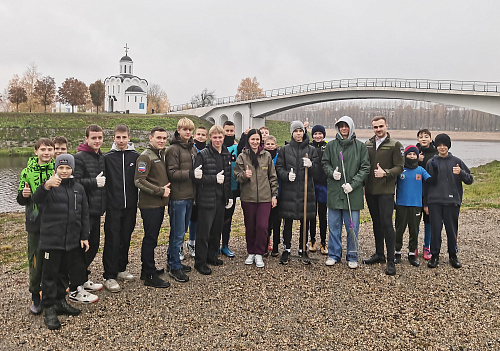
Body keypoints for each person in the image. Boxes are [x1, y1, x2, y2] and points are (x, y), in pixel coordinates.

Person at [32, 154, 94, 330]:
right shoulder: (49, 186)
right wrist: (45, 186)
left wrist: (84, 236)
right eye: (61, 168)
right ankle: (49, 307)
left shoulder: (79, 188)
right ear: (56, 169)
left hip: (72, 240)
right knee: (49, 274)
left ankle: (60, 301)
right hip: (52, 240)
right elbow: (36, 200)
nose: (65, 171)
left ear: (72, 169)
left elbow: (84, 214)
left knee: (64, 273)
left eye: (68, 168)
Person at [322, 116, 370, 269]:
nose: (344, 129)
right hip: (335, 192)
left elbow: (365, 168)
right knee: (334, 226)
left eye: (346, 126)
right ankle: (334, 254)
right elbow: (325, 163)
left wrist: (354, 184)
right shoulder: (331, 146)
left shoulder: (360, 147)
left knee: (352, 227)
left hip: (352, 194)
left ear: (351, 127)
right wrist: (331, 173)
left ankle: (352, 255)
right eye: (341, 126)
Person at [16, 138, 55, 315]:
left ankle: (52, 295)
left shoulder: (57, 169)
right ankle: (35, 296)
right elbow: (19, 199)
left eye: (49, 149)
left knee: (53, 259)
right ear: (36, 151)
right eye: (43, 149)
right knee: (36, 260)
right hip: (35, 222)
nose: (46, 153)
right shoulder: (27, 172)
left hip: (55, 221)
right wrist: (24, 196)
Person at [425, 133, 473, 269]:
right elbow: (426, 185)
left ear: (448, 146)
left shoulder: (457, 161)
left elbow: (470, 180)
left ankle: (453, 255)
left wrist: (461, 173)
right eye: (439, 145)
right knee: (435, 230)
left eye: (444, 145)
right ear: (436, 146)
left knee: (452, 230)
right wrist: (426, 204)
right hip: (434, 202)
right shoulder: (431, 162)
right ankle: (434, 256)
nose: (442, 147)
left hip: (452, 202)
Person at [363, 116, 404, 276]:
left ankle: (391, 260)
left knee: (387, 224)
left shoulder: (395, 145)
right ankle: (379, 253)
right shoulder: (367, 144)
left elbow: (400, 167)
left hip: (386, 192)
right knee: (376, 223)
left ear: (386, 126)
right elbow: (364, 166)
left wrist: (385, 172)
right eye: (375, 127)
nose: (378, 129)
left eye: (381, 126)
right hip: (371, 191)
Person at [102, 124, 140, 292]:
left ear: (129, 138)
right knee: (112, 239)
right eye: (118, 137)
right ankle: (109, 275)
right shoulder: (107, 158)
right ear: (114, 138)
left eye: (124, 137)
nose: (121, 140)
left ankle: (121, 268)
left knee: (126, 237)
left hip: (131, 206)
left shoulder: (136, 156)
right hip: (114, 206)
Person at [275, 121, 319, 264]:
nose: (298, 133)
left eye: (301, 131)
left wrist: (311, 166)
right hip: (289, 191)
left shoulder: (311, 150)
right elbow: (279, 167)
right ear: (292, 133)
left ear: (304, 132)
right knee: (287, 220)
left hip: (307, 190)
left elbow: (317, 170)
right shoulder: (285, 150)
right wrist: (286, 175)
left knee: (304, 220)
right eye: (296, 131)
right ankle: (286, 249)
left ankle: (302, 248)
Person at [234, 129, 279, 268]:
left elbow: (273, 177)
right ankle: (251, 252)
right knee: (250, 226)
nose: (255, 142)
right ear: (248, 140)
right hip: (248, 197)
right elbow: (236, 175)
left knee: (262, 226)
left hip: (265, 198)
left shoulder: (266, 156)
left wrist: (274, 195)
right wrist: (244, 175)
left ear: (261, 141)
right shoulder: (242, 156)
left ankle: (259, 252)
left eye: (257, 139)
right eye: (252, 139)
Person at [192, 125, 232, 275]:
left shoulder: (226, 154)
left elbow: (227, 177)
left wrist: (229, 196)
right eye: (214, 137)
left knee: (216, 230)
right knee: (204, 232)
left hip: (221, 198)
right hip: (206, 198)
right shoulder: (203, 154)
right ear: (210, 138)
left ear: (223, 138)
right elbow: (197, 177)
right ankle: (200, 262)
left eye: (220, 137)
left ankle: (211, 255)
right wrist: (214, 179)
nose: (217, 140)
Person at [134, 127, 171, 288]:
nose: (162, 140)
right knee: (150, 239)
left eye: (164, 138)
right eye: (158, 138)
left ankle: (147, 269)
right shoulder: (145, 157)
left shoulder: (159, 154)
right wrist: (160, 191)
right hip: (150, 204)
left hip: (158, 204)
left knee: (153, 238)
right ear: (151, 138)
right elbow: (139, 181)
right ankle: (149, 275)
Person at [73, 124, 106, 292]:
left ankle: (82, 277)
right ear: (86, 139)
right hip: (84, 211)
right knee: (83, 247)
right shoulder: (79, 157)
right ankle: (75, 284)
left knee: (93, 246)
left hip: (97, 210)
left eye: (100, 137)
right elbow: (74, 182)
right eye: (94, 138)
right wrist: (94, 183)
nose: (97, 141)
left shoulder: (101, 157)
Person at [165, 118, 197, 282]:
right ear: (178, 130)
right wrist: (191, 175)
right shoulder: (173, 150)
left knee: (181, 231)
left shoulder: (192, 149)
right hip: (178, 196)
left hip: (189, 195)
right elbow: (172, 173)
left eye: (190, 130)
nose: (188, 132)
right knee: (177, 233)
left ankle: (172, 261)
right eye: (184, 129)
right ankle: (175, 266)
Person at [394, 145, 431, 267]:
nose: (411, 156)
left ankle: (411, 253)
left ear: (417, 156)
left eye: (414, 154)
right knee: (399, 230)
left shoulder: (421, 170)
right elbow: (391, 184)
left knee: (414, 230)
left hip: (416, 205)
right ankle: (397, 252)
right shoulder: (400, 170)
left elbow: (431, 181)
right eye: (409, 154)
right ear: (405, 155)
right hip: (401, 204)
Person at [306, 124, 329, 254]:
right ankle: (312, 239)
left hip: (324, 185)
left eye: (320, 134)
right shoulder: (309, 146)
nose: (318, 136)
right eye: (315, 134)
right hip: (311, 184)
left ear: (323, 135)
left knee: (322, 214)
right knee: (311, 214)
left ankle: (324, 242)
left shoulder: (328, 146)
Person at [186, 126, 208, 258]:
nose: (200, 136)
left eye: (203, 134)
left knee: (201, 218)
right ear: (194, 136)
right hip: (191, 187)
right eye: (198, 134)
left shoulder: (208, 150)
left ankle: (194, 242)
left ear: (207, 137)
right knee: (191, 218)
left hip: (204, 188)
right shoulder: (191, 149)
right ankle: (188, 243)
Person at [416, 129, 438, 260]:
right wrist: (416, 159)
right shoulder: (414, 151)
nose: (423, 139)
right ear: (418, 139)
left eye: (426, 137)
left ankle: (427, 246)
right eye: (421, 137)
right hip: (416, 191)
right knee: (415, 221)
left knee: (428, 220)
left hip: (431, 191)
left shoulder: (435, 153)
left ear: (430, 139)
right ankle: (414, 246)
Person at [220, 121, 238, 257]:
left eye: (232, 131)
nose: (230, 133)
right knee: (216, 219)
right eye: (227, 131)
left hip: (232, 189)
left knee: (228, 219)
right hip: (218, 189)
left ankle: (225, 245)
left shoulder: (237, 148)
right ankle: (214, 245)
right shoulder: (218, 146)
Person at [264, 135, 282, 256]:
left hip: (278, 193)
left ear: (275, 145)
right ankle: (265, 244)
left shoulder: (279, 157)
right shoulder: (262, 157)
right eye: (268, 144)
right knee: (266, 221)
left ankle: (276, 246)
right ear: (264, 145)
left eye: (272, 144)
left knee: (277, 221)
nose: (270, 146)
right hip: (265, 194)